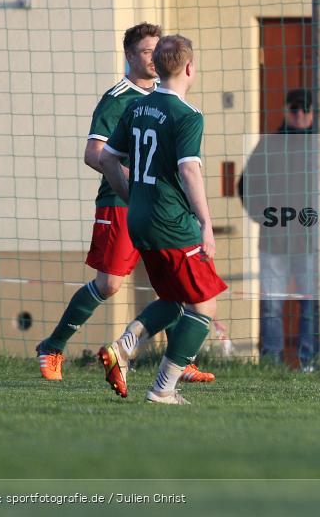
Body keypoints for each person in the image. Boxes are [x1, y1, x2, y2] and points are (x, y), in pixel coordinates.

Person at [34, 22, 213, 385]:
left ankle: (181, 358)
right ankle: (52, 346)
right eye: (146, 51)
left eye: (157, 51)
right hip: (120, 202)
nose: (153, 57)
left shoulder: (165, 101)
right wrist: (138, 186)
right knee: (110, 284)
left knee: (174, 283)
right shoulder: (119, 98)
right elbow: (95, 153)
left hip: (161, 209)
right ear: (130, 56)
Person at [98, 34, 228, 404]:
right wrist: (205, 223)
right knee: (204, 305)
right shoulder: (187, 115)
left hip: (137, 219)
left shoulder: (136, 107)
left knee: (173, 296)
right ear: (190, 68)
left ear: (158, 66)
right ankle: (163, 388)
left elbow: (107, 158)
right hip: (172, 221)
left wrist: (132, 196)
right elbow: (189, 170)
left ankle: (125, 347)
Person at [238, 89, 320, 371]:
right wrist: (265, 217)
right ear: (287, 109)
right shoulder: (269, 145)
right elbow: (245, 185)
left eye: (306, 109)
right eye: (296, 108)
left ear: (314, 113)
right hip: (273, 241)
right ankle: (271, 362)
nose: (301, 114)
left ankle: (309, 362)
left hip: (310, 243)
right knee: (271, 306)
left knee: (311, 306)